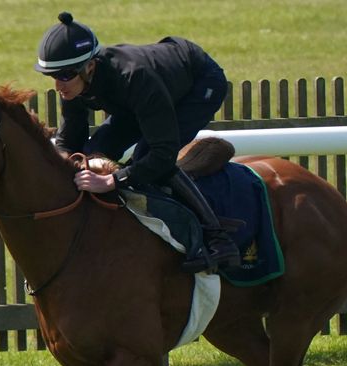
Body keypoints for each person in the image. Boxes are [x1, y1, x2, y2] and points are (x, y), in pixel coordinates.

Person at [34, 12, 240, 273]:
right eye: (52, 75)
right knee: (92, 152)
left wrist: (113, 180)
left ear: (90, 66)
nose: (58, 85)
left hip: (198, 84)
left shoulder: (135, 78)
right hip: (143, 98)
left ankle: (218, 239)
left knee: (147, 161)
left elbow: (163, 154)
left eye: (64, 75)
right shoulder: (73, 84)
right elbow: (70, 140)